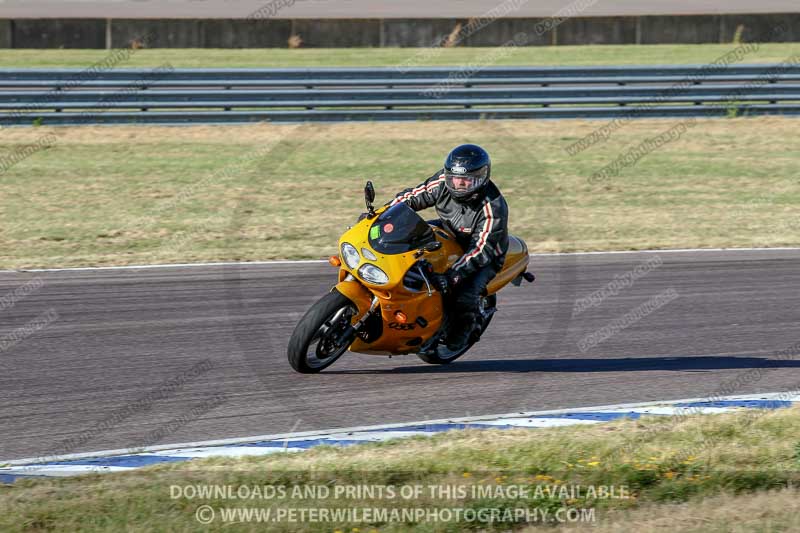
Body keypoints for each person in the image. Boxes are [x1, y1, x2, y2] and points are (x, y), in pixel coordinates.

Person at [389, 144, 509, 351]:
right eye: (455, 178)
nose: (459, 184)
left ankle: (465, 330)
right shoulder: (443, 182)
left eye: (466, 180)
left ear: (481, 179)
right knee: (407, 242)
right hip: (449, 231)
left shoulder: (493, 207)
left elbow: (481, 249)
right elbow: (412, 197)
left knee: (464, 294)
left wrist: (453, 274)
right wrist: (384, 214)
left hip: (485, 254)